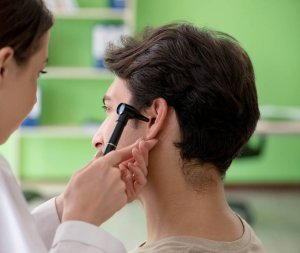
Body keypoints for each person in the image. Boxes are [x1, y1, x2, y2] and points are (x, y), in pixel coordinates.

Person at [0, 0, 157, 252]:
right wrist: (82, 221)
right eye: (38, 72)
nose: (35, 98)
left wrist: (67, 205)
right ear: (3, 66)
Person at [92, 23, 265, 252]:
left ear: (154, 118)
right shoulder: (240, 236)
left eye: (111, 109)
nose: (97, 139)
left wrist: (77, 226)